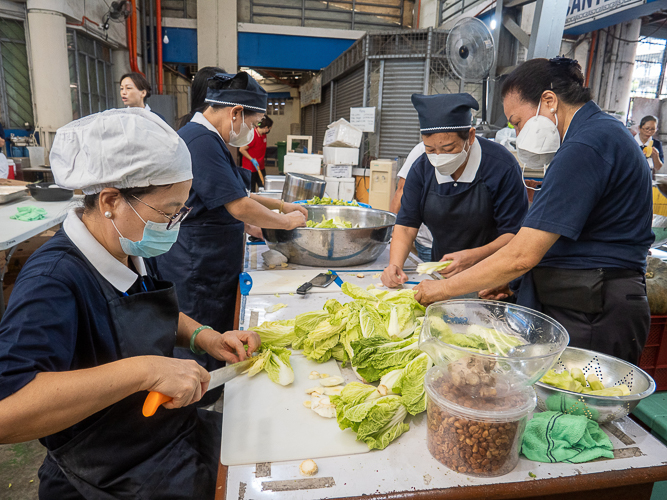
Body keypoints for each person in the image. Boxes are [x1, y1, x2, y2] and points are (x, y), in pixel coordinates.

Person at [0, 108, 260, 499]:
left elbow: (138, 313)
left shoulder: (126, 246)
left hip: (162, 434)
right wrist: (143, 372)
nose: (173, 225)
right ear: (110, 200)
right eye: (168, 213)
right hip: (108, 469)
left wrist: (204, 337)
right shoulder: (53, 280)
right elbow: (7, 411)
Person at [413, 57, 653, 364]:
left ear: (549, 101)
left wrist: (443, 289)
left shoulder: (587, 145)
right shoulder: (597, 134)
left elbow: (521, 255)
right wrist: (510, 282)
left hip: (594, 310)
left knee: (577, 407)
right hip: (585, 300)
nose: (516, 131)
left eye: (516, 122)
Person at [155, 72, 307, 389]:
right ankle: (200, 401)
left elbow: (239, 193)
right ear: (235, 113)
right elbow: (239, 206)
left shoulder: (207, 138)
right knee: (202, 340)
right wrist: (287, 223)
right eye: (252, 123)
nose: (251, 132)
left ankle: (210, 390)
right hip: (198, 265)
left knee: (218, 331)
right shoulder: (200, 142)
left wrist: (281, 206)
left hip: (209, 259)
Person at [381, 93, 528, 288]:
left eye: (448, 148)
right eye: (430, 149)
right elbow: (407, 225)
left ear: (471, 136)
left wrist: (473, 257)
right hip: (441, 275)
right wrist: (394, 265)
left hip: (492, 277)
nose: (439, 157)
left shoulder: (501, 166)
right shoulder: (422, 169)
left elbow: (514, 235)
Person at [389, 142, 433, 262]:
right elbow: (402, 190)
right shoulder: (421, 150)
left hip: (472, 250)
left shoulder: (486, 157)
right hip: (429, 244)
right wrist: (390, 232)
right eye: (432, 150)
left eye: (449, 148)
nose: (439, 154)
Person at [240, 115, 273, 191]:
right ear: (266, 127)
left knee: (264, 187)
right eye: (269, 128)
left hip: (260, 166)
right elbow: (242, 149)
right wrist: (252, 160)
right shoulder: (252, 135)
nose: (269, 130)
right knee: (251, 190)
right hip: (250, 168)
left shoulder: (264, 135)